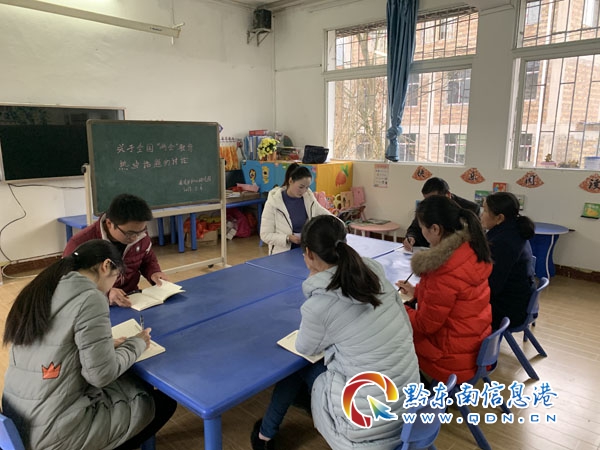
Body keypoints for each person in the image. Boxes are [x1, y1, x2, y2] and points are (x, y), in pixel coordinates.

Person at [252, 215, 419, 450]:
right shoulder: (374, 273)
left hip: (366, 425)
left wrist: (314, 280)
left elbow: (305, 347)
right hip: (410, 409)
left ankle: (265, 434)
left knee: (299, 366)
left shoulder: (320, 304)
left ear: (308, 254)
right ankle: (278, 423)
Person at [2, 239, 177, 450]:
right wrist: (137, 343)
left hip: (19, 421)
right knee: (162, 403)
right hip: (55, 434)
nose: (113, 285)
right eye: (115, 277)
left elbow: (56, 344)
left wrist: (104, 345)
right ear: (106, 266)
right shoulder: (90, 298)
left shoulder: (43, 288)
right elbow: (101, 375)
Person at [397, 195, 492, 384]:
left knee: (392, 338)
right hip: (474, 345)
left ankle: (424, 393)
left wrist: (399, 308)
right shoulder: (469, 250)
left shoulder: (442, 269)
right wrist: (417, 293)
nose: (421, 231)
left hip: (450, 357)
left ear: (435, 229)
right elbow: (452, 297)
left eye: (422, 227)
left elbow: (425, 325)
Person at [63, 193, 167, 307]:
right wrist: (106, 293)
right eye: (130, 233)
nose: (135, 238)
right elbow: (69, 285)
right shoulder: (80, 243)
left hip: (132, 300)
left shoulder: (140, 235)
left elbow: (147, 259)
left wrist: (154, 272)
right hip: (94, 306)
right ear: (109, 223)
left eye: (141, 231)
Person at [482, 192, 536, 330]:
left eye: (485, 211)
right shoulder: (514, 229)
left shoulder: (503, 242)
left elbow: (492, 285)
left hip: (510, 309)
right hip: (519, 300)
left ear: (499, 218)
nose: (481, 215)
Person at [260, 163, 332, 255]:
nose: (304, 191)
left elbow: (325, 215)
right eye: (301, 187)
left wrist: (340, 225)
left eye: (307, 187)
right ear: (290, 181)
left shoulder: (308, 198)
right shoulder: (273, 202)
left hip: (306, 250)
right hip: (282, 253)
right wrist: (287, 238)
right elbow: (265, 235)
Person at [403, 177, 480, 251]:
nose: (430, 203)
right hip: (428, 250)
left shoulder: (470, 208)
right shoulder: (426, 207)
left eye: (434, 199)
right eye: (426, 199)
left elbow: (473, 239)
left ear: (448, 195)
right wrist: (411, 237)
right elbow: (414, 228)